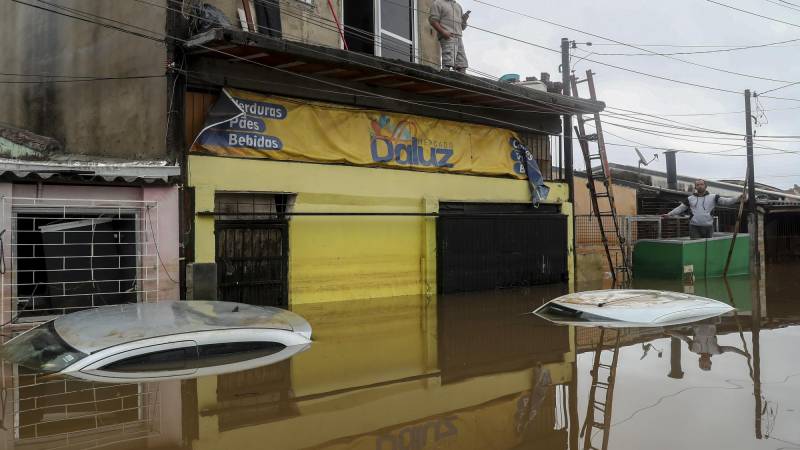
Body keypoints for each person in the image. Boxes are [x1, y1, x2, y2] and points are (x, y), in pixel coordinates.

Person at [662, 179, 741, 239]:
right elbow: (680, 208)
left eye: (702, 184)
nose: (700, 186)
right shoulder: (690, 198)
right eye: (698, 185)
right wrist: (669, 214)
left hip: (708, 227)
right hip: (694, 227)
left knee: (708, 248)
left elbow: (726, 201)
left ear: (705, 186)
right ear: (695, 187)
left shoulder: (713, 197)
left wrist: (738, 198)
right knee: (695, 247)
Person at [666, 324, 748, 371]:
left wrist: (672, 333)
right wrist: (744, 354)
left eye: (702, 364)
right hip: (711, 325)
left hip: (697, 324)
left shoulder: (693, 349)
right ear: (710, 362)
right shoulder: (717, 351)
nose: (704, 363)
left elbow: (685, 338)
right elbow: (731, 349)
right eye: (706, 365)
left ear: (699, 360)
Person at [429, 0, 469, 73]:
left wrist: (464, 20)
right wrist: (443, 32)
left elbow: (462, 27)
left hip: (458, 37)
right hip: (448, 36)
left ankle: (461, 81)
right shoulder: (438, 3)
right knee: (448, 62)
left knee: (462, 64)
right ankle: (445, 76)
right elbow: (433, 21)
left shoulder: (458, 6)